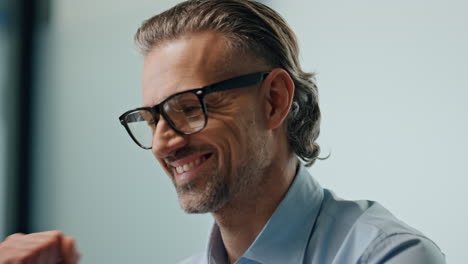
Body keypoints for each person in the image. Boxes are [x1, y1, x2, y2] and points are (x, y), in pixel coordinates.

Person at [0, 0, 446, 263]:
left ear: (273, 100)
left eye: (187, 107)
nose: (162, 142)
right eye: (154, 118)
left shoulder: (386, 256)